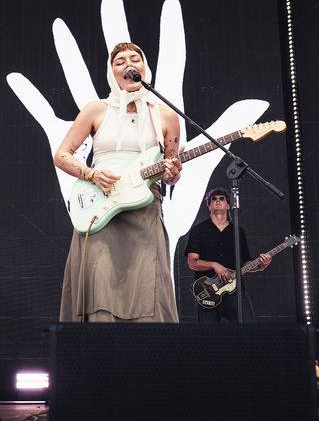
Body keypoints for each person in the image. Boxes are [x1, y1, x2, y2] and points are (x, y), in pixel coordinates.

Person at [54, 42, 182, 322]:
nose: (128, 64)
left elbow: (171, 170)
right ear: (111, 71)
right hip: (101, 207)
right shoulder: (96, 110)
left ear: (144, 68)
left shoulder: (166, 114)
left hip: (144, 210)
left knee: (148, 286)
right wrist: (91, 173)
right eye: (120, 61)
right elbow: (61, 155)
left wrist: (172, 172)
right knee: (100, 283)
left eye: (135, 59)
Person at [184, 187, 272, 323]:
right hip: (209, 292)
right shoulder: (198, 230)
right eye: (214, 199)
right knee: (207, 335)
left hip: (235, 291)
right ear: (209, 206)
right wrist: (214, 265)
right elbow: (192, 262)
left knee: (249, 330)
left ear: (229, 205)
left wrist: (260, 266)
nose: (218, 201)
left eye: (222, 198)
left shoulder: (238, 231)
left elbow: (246, 263)